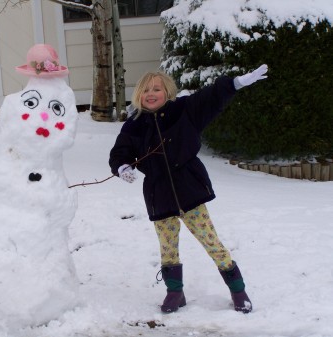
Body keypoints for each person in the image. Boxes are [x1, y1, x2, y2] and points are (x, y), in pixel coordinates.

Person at [109, 65, 268, 314]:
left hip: (190, 192)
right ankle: (175, 291)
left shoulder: (183, 111)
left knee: (211, 241)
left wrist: (234, 83)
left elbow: (210, 97)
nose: (151, 94)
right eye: (146, 90)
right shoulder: (134, 125)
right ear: (139, 94)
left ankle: (238, 289)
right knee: (168, 246)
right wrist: (122, 167)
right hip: (158, 195)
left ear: (167, 92)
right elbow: (120, 153)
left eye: (157, 89)